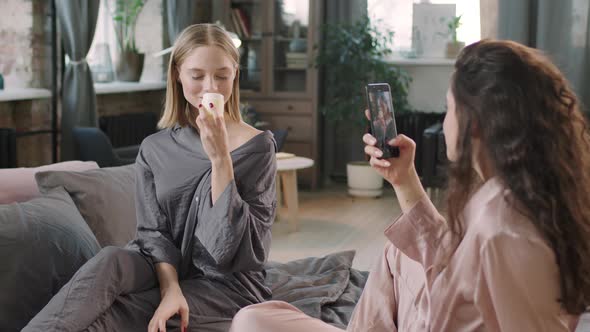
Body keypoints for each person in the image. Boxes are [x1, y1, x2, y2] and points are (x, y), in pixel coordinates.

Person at [229, 39, 590, 331]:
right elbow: (454, 265)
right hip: (433, 313)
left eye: (449, 109)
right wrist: (404, 178)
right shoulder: (520, 194)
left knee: (252, 321)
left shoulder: (504, 225)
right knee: (400, 250)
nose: (446, 120)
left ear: (474, 123)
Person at [24, 23, 277, 332]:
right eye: (197, 75)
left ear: (235, 74)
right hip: (164, 269)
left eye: (222, 75)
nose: (210, 87)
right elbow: (153, 234)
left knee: (110, 315)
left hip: (226, 285)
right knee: (111, 260)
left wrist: (221, 158)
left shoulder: (258, 148)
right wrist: (171, 288)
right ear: (177, 75)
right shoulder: (154, 149)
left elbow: (225, 253)